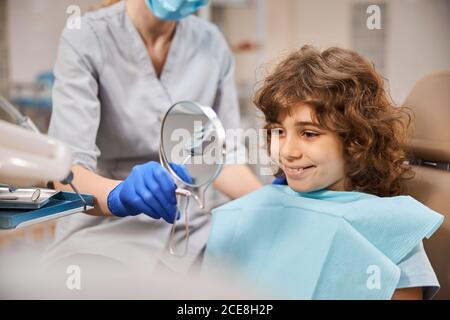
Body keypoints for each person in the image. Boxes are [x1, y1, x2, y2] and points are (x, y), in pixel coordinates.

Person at [204, 45, 441, 299]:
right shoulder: (258, 213)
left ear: (356, 141)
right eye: (279, 131)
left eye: (309, 133)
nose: (288, 152)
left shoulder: (392, 229)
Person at [44, 0, 262, 272]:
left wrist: (275, 202)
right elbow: (65, 174)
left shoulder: (212, 43)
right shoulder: (86, 37)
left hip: (188, 228)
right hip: (104, 229)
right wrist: (119, 195)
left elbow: (223, 158)